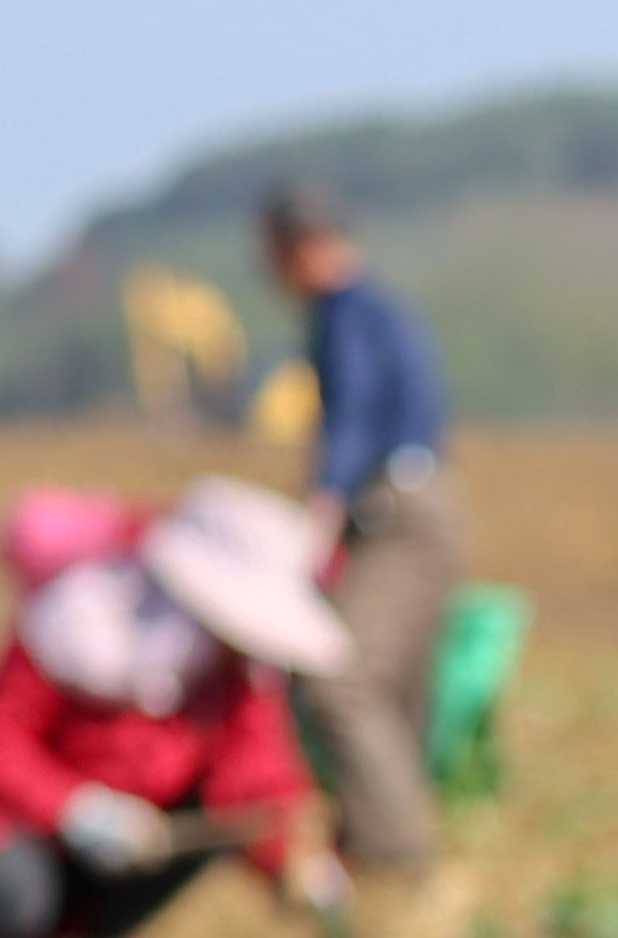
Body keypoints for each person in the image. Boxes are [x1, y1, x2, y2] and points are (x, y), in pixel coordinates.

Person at [0, 479, 349, 938]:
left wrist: (298, 856)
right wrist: (75, 808)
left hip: (120, 849)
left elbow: (253, 768)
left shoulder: (229, 669)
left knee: (211, 835)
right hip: (10, 827)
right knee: (15, 899)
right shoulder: (74, 624)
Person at [255, 183, 460, 889]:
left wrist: (323, 501)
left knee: (342, 684)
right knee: (400, 688)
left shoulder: (342, 315)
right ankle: (386, 843)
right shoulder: (383, 308)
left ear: (300, 247)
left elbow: (355, 412)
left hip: (396, 513)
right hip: (426, 505)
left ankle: (396, 856)